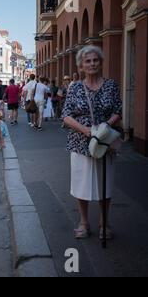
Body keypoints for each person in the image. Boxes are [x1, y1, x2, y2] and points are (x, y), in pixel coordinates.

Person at [62, 45, 122, 240]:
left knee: (106, 184)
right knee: (81, 184)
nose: (92, 63)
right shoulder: (75, 87)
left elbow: (118, 110)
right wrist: (86, 130)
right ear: (81, 65)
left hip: (105, 142)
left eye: (95, 60)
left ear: (101, 62)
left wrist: (105, 126)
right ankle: (83, 222)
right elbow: (66, 116)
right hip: (80, 142)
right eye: (88, 61)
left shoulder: (111, 85)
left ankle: (104, 223)